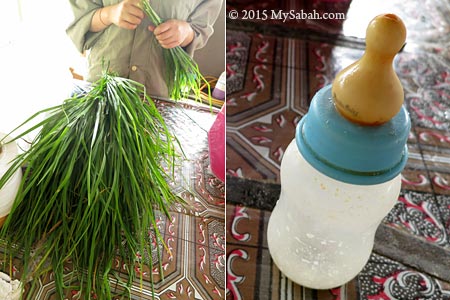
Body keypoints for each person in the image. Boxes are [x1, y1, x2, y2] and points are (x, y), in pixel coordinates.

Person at [66, 0, 223, 98]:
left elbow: (200, 29)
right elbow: (81, 19)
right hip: (101, 88)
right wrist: (110, 14)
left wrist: (185, 32)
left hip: (157, 93)